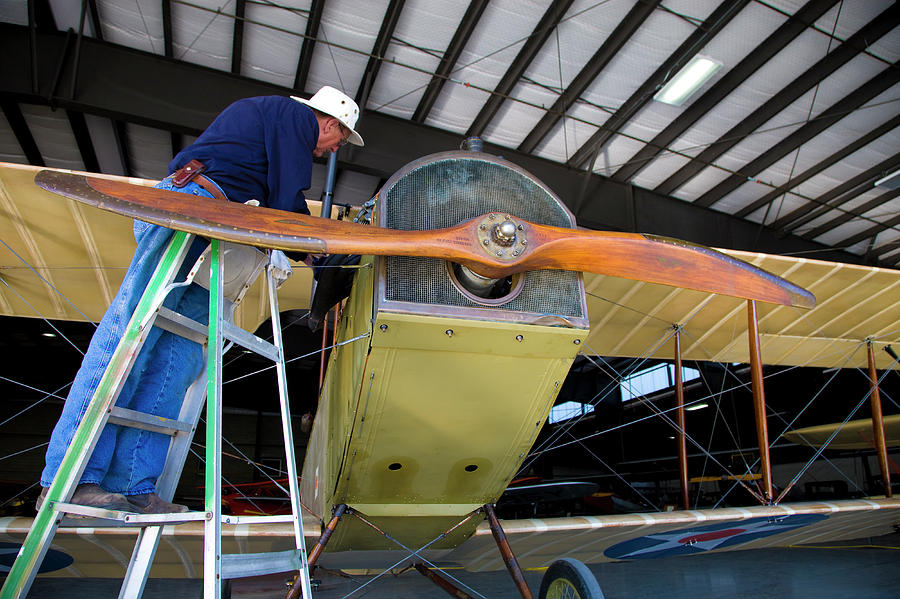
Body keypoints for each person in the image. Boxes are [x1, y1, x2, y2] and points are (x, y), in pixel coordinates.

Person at [38, 86, 364, 514]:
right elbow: (285, 202)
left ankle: (133, 484)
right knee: (131, 341)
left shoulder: (274, 127)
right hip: (195, 206)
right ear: (329, 121)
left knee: (177, 360)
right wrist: (323, 249)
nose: (330, 150)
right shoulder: (292, 116)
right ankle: (71, 477)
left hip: (220, 228)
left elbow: (275, 204)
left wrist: (314, 251)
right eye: (337, 140)